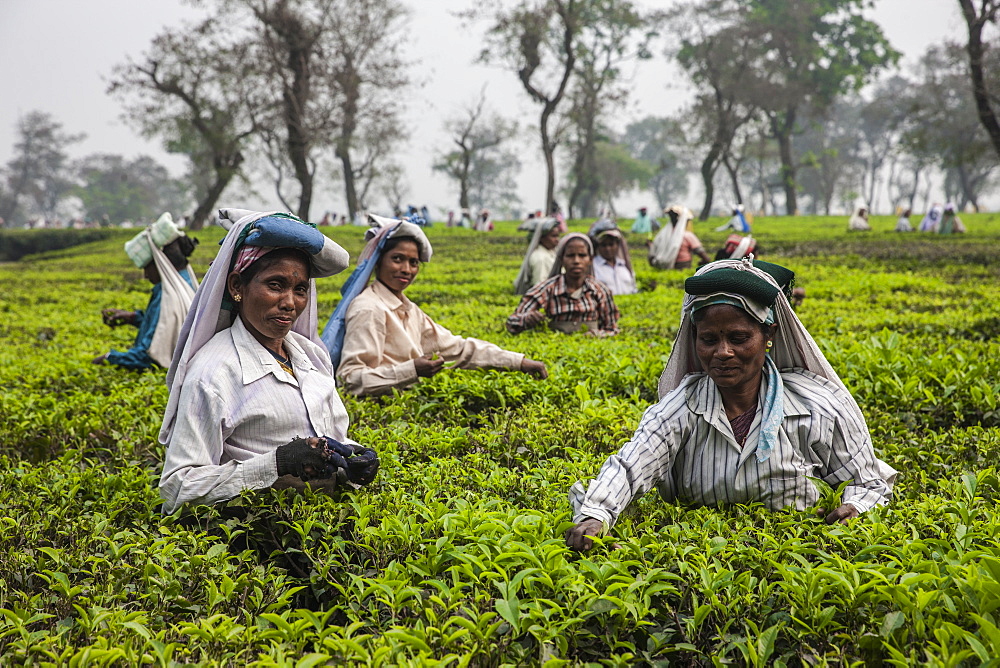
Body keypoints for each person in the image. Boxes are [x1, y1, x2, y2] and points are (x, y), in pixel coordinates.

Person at [565, 258, 896, 550]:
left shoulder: (818, 408)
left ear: (769, 336)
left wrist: (856, 508)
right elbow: (630, 465)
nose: (722, 352)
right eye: (709, 339)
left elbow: (867, 482)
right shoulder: (681, 409)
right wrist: (596, 516)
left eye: (738, 338)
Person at [158, 209, 378, 515]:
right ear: (237, 286)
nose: (289, 302)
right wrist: (277, 463)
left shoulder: (312, 356)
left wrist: (350, 456)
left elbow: (328, 436)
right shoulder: (212, 374)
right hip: (259, 542)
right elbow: (177, 488)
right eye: (275, 285)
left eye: (300, 289)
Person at [335, 215, 547, 397]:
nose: (406, 269)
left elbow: (460, 349)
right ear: (378, 262)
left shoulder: (409, 310)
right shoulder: (369, 308)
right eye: (397, 259)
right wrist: (411, 370)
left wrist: (518, 362)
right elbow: (350, 378)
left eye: (414, 262)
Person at [95, 212, 199, 370]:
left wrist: (109, 358)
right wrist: (133, 318)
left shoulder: (168, 296)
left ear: (160, 262)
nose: (146, 275)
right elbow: (164, 329)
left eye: (147, 267)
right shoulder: (183, 280)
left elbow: (149, 356)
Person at [507, 233, 620, 337]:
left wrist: (597, 335)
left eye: (582, 255)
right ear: (561, 259)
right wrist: (526, 319)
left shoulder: (600, 291)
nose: (576, 261)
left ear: (590, 259)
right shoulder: (546, 290)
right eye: (570, 256)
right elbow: (512, 321)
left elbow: (612, 329)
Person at [649, 205, 711, 269]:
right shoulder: (687, 235)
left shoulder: (661, 235)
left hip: (663, 266)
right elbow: (701, 253)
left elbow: (652, 254)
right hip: (683, 265)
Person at [513, 217, 561, 295]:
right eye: (553, 236)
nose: (557, 239)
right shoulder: (540, 258)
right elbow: (540, 287)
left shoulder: (550, 252)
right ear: (541, 238)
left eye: (557, 236)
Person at [590, 226, 637, 296]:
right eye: (603, 245)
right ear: (598, 247)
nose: (608, 249)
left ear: (617, 245)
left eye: (611, 244)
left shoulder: (624, 266)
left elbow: (633, 289)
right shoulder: (593, 267)